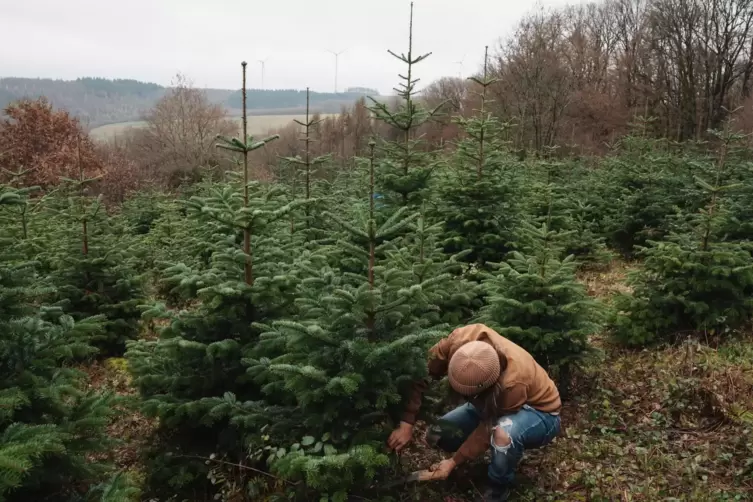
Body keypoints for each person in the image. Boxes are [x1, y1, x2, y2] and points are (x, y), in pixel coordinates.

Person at [387, 324, 562, 502]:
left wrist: (453, 462)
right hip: (489, 404)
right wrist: (407, 422)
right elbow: (422, 372)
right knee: (438, 433)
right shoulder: (458, 340)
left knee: (503, 434)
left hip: (541, 413)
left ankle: (498, 489)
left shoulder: (512, 384)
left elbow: (488, 427)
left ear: (487, 387)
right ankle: (473, 466)